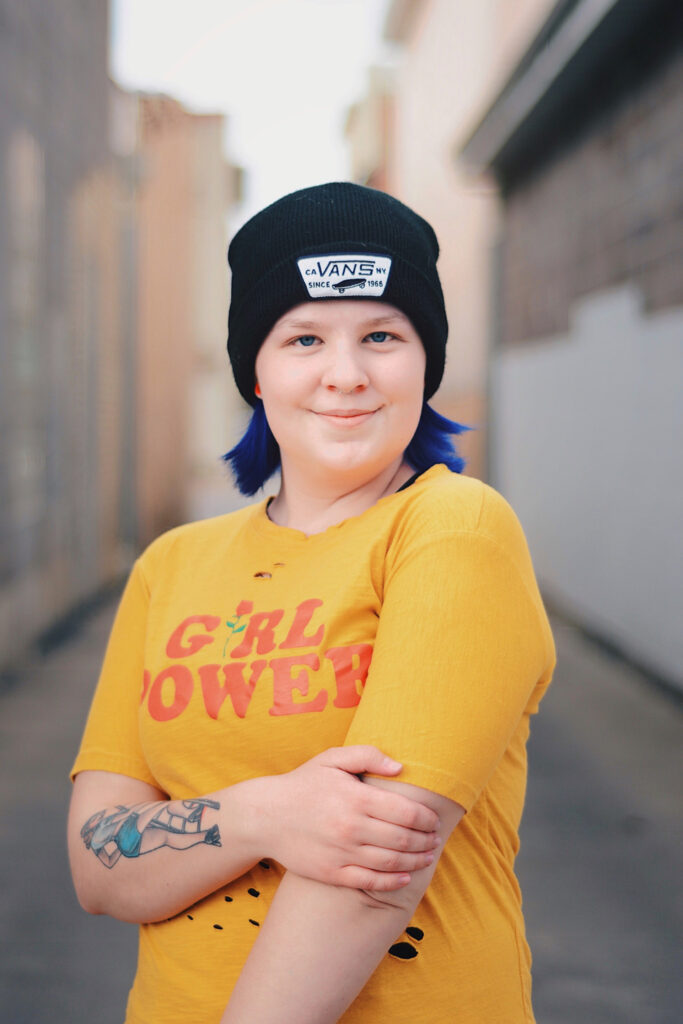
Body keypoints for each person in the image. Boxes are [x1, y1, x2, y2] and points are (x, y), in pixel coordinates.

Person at [68, 182, 556, 1023]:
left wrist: (198, 827)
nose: (345, 374)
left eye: (381, 335)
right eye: (302, 337)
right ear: (254, 371)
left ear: (424, 360)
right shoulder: (171, 566)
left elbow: (372, 869)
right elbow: (97, 864)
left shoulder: (451, 529)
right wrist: (263, 815)